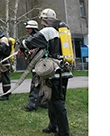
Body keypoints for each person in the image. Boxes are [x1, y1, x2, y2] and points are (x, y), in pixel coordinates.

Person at [20, 8, 72, 136]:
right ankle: (53, 126)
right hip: (63, 71)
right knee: (52, 101)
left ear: (45, 20)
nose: (41, 23)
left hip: (54, 72)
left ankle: (63, 132)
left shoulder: (48, 31)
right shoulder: (61, 32)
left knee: (57, 102)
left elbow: (30, 42)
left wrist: (21, 45)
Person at [23, 20, 48, 111]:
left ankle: (33, 104)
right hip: (38, 65)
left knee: (36, 84)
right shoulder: (36, 38)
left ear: (33, 28)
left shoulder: (37, 38)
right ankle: (43, 102)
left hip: (40, 65)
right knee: (41, 83)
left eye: (28, 28)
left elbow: (28, 44)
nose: (26, 30)